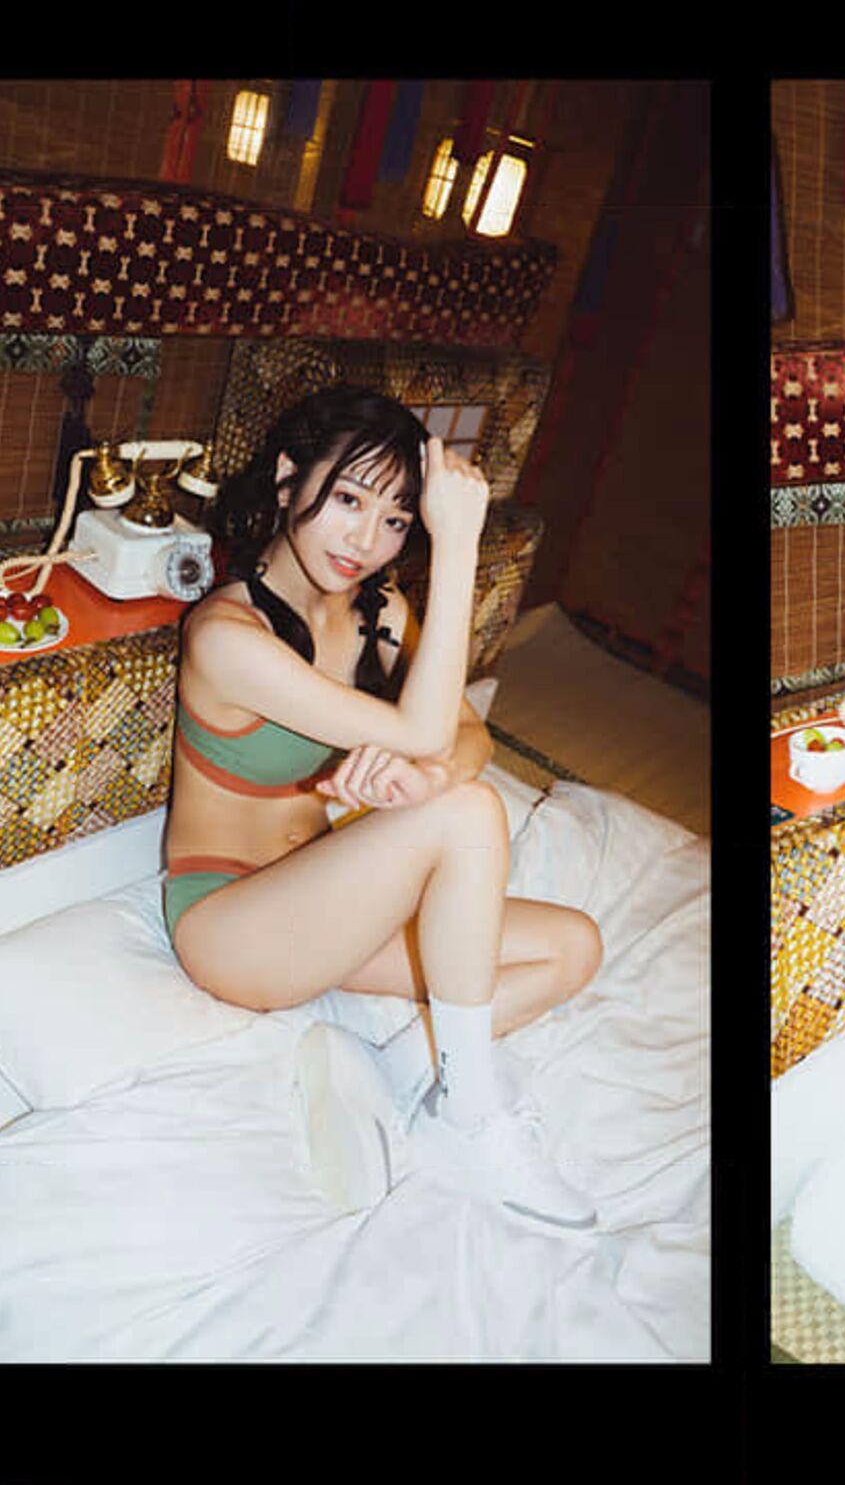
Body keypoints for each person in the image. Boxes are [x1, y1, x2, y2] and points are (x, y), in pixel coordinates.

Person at [162, 384, 603, 1228]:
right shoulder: (226, 637)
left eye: (398, 519)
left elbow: (468, 736)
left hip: (329, 906)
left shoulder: (378, 612)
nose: (367, 541)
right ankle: (469, 1119)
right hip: (231, 925)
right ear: (288, 479)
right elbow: (426, 728)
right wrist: (460, 544)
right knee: (470, 816)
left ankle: (403, 1073)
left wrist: (430, 777)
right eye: (350, 501)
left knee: (572, 948)